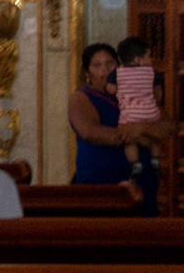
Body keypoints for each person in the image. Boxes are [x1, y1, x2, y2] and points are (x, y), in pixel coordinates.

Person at [70, 41, 162, 215]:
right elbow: (90, 132)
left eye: (110, 63)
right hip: (101, 178)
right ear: (87, 73)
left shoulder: (134, 93)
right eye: (97, 66)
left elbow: (165, 126)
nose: (105, 70)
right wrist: (142, 135)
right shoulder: (80, 98)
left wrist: (146, 131)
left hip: (141, 179)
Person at [114, 35, 166, 178]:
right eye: (148, 57)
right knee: (156, 138)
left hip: (130, 115)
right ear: (138, 59)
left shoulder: (119, 72)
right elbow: (158, 95)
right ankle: (155, 160)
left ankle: (135, 163)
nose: (151, 60)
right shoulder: (152, 72)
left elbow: (112, 89)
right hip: (151, 112)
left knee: (129, 141)